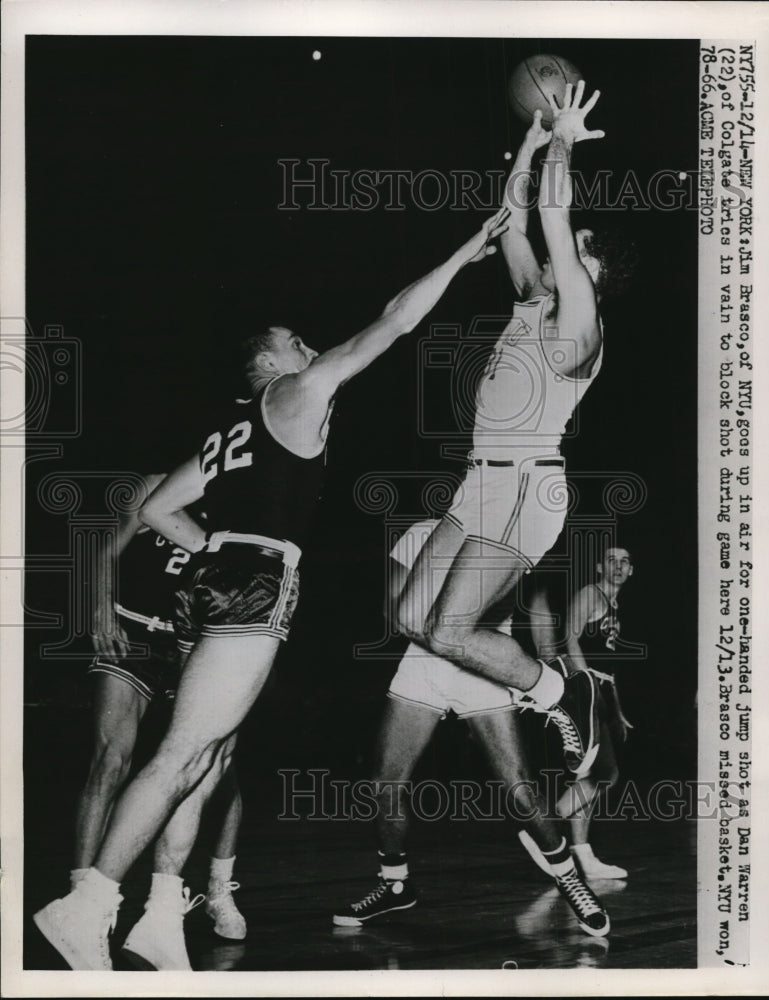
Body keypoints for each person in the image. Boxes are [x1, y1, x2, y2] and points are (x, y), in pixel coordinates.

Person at [34, 207, 510, 970]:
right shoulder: (294, 394)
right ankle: (86, 900)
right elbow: (391, 324)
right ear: (270, 363)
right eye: (297, 343)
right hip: (249, 585)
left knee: (212, 755)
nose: (312, 348)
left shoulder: (230, 433)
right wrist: (463, 257)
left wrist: (216, 549)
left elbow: (157, 508)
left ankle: (160, 914)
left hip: (221, 582)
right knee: (184, 752)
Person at [396, 82, 637, 777]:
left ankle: (567, 693)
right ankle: (558, 691)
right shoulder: (536, 298)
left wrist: (563, 133)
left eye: (578, 248)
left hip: (524, 491)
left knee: (449, 629)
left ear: (592, 271)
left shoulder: (579, 321)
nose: (567, 247)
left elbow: (556, 213)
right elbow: (514, 221)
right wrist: (530, 148)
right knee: (413, 621)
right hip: (477, 484)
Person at [332, 518, 610, 937]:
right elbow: (393, 605)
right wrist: (449, 643)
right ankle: (395, 882)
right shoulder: (423, 532)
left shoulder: (510, 533)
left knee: (519, 788)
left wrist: (544, 672)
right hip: (424, 664)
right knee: (385, 783)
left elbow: (537, 612)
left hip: (483, 669)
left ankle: (569, 877)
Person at [75, 473, 247, 957]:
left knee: (219, 768)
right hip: (132, 632)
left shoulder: (248, 492)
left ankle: (217, 889)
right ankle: (82, 900)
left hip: (195, 644)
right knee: (110, 759)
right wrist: (99, 612)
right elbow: (106, 551)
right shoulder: (155, 482)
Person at [555, 546, 636, 879]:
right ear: (600, 567)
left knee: (588, 776)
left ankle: (583, 856)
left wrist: (616, 711)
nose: (619, 566)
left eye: (625, 562)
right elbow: (568, 639)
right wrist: (585, 687)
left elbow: (609, 669)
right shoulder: (591, 593)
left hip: (599, 689)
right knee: (607, 775)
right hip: (582, 689)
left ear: (631, 571)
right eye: (612, 561)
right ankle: (546, 819)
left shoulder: (614, 606)